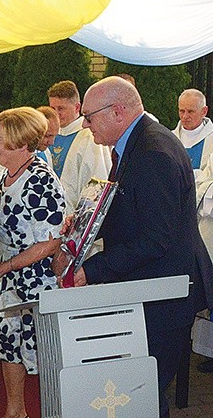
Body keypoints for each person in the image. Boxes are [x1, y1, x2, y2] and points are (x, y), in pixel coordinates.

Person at [72, 76, 213, 417]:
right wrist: (84, 223)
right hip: (151, 286)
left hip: (163, 294)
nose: (86, 124)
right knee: (141, 391)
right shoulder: (138, 142)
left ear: (117, 112)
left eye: (89, 116)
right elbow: (129, 207)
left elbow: (155, 238)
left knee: (143, 393)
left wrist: (92, 269)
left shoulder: (153, 152)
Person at [0, 107, 65, 418]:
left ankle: (56, 410)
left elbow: (52, 242)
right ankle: (15, 412)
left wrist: (7, 266)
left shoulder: (40, 180)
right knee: (9, 344)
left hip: (38, 279)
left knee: (45, 352)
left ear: (20, 143)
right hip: (14, 274)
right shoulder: (8, 173)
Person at [172, 88, 213, 373]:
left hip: (207, 225)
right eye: (181, 111)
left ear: (204, 112)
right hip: (178, 226)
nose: (185, 117)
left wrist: (192, 182)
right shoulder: (171, 138)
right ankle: (182, 346)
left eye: (191, 112)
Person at [48, 80, 111, 214]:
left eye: (61, 109)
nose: (56, 114)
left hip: (73, 216)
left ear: (77, 107)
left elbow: (97, 182)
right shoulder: (49, 135)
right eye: (52, 109)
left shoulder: (90, 136)